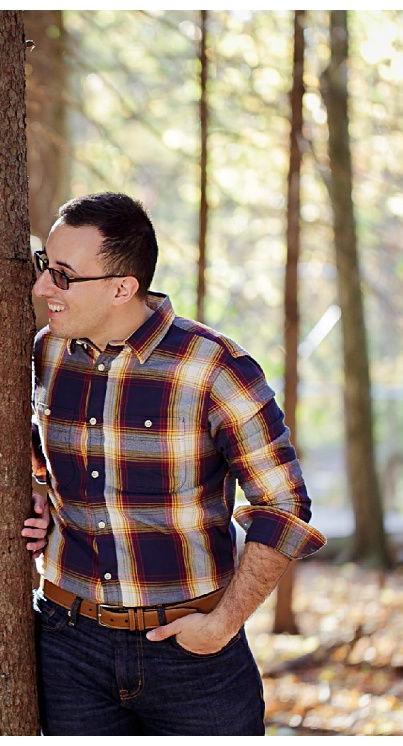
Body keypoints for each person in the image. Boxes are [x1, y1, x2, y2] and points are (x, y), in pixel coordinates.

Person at [19, 192, 325, 735]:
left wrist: (225, 623)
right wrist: (39, 492)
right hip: (69, 651)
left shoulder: (213, 368)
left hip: (194, 657)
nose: (43, 287)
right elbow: (38, 459)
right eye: (46, 267)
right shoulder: (44, 355)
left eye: (63, 276)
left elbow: (284, 503)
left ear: (122, 288)